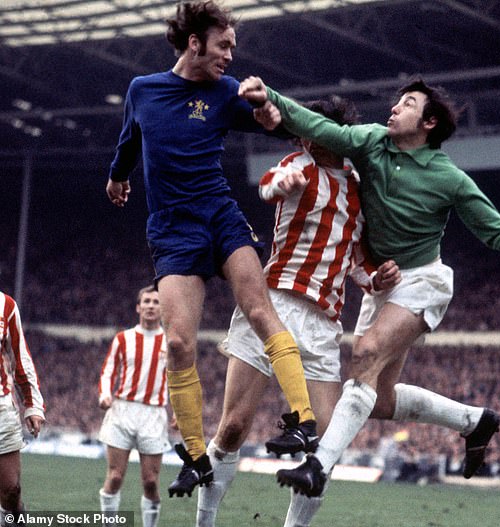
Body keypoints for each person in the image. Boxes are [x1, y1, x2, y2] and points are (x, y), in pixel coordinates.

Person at [238, 75, 500, 499]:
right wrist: (273, 97)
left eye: (407, 103)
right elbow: (324, 129)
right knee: (376, 400)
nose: (394, 108)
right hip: (383, 285)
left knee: (365, 354)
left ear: (428, 123)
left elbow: (495, 229)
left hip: (422, 280)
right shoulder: (372, 141)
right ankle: (474, 421)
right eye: (397, 101)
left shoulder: (449, 178)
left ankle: (318, 465)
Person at [105, 1, 318, 498]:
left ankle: (303, 419)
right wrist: (117, 177)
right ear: (194, 42)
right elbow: (129, 140)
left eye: (233, 48)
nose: (230, 55)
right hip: (172, 231)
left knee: (260, 309)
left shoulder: (225, 92)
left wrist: (267, 109)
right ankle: (197, 457)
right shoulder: (143, 90)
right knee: (178, 343)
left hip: (219, 215)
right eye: (224, 45)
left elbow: (278, 122)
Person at [195, 96, 401, 527]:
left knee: (325, 444)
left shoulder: (358, 186)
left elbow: (357, 260)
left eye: (312, 130)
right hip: (273, 306)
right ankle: (205, 521)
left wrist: (374, 279)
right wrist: (279, 187)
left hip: (324, 321)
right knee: (233, 427)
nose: (306, 137)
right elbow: (270, 184)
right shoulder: (298, 166)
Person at [98, 286, 170, 527]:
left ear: (162, 308)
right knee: (115, 476)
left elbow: (180, 378)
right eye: (146, 301)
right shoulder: (123, 338)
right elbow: (108, 371)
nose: (151, 305)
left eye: (156, 302)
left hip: (154, 414)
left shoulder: (170, 341)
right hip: (123, 411)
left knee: (150, 481)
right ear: (138, 307)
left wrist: (181, 413)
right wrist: (105, 395)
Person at [0, 292, 45, 526]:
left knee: (11, 489)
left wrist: (33, 405)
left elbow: (20, 357)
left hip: (1, 407)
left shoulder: (6, 305)